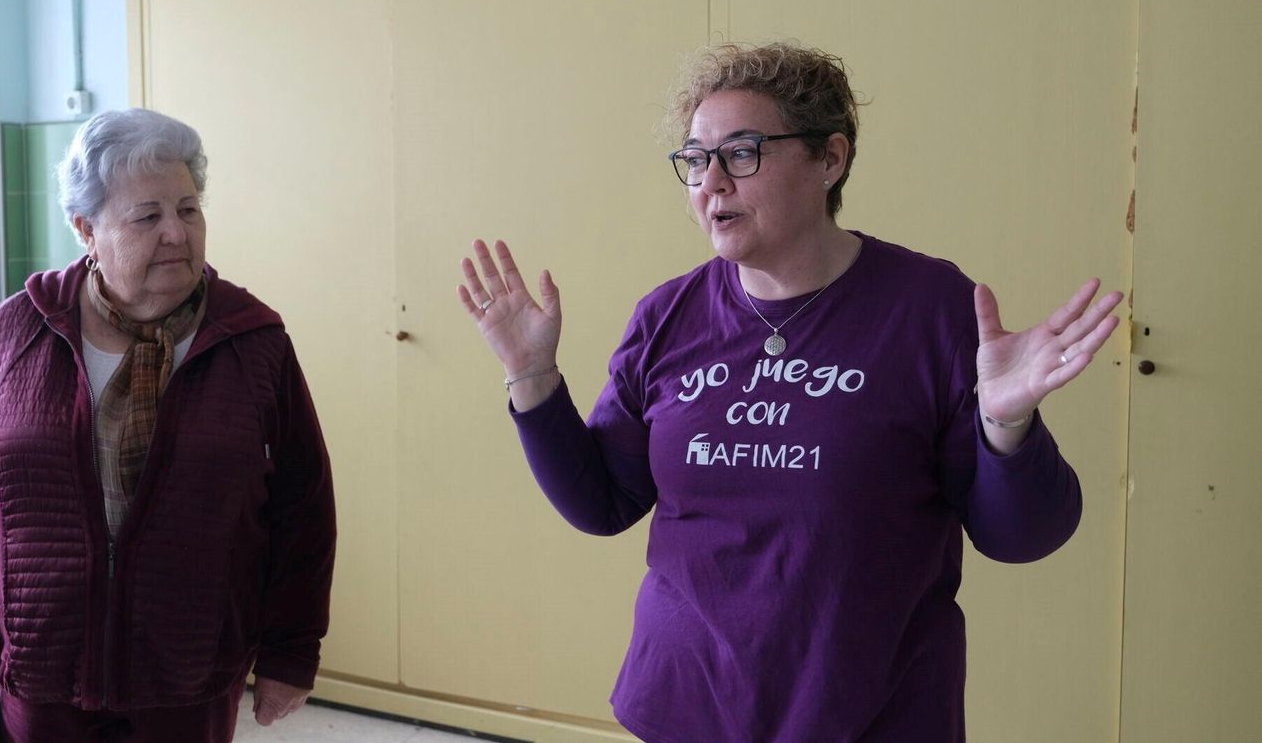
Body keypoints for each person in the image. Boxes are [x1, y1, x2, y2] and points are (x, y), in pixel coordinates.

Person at [457, 42, 1120, 742]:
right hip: (686, 705)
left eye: (741, 152)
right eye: (694, 159)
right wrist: (532, 377)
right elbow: (603, 503)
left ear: (829, 159)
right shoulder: (668, 315)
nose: (710, 181)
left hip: (873, 713)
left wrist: (1008, 427)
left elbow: (1022, 537)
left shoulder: (927, 308)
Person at [0, 108, 336, 742]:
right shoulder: (16, 330)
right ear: (86, 229)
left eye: (189, 209)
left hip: (188, 676)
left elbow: (303, 507)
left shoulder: (252, 341)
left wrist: (290, 652)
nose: (177, 233)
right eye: (148, 216)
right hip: (39, 669)